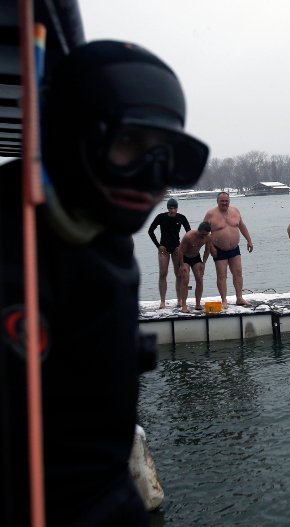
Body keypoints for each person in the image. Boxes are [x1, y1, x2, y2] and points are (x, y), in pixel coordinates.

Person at [0, 41, 208, 526]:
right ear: (71, 135)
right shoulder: (17, 252)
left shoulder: (104, 246)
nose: (150, 175)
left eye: (167, 155)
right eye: (129, 143)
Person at [203, 192, 253, 309]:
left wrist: (249, 240)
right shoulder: (210, 214)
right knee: (222, 275)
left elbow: (242, 226)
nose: (224, 203)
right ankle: (224, 300)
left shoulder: (235, 211)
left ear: (229, 201)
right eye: (222, 201)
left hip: (234, 248)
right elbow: (203, 233)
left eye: (226, 201)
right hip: (218, 249)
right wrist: (210, 247)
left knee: (238, 273)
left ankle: (239, 298)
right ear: (217, 201)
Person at [147, 197, 191, 308]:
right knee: (163, 273)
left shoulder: (181, 218)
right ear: (167, 208)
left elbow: (189, 233)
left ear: (177, 208)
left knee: (179, 274)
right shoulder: (161, 217)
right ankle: (162, 301)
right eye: (170, 208)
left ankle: (179, 300)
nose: (172, 210)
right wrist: (158, 246)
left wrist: (183, 247)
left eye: (174, 208)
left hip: (177, 248)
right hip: (164, 249)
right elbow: (150, 231)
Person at [175, 221, 212, 313]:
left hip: (196, 257)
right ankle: (184, 305)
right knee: (185, 279)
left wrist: (203, 263)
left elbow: (207, 250)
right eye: (202, 234)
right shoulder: (189, 236)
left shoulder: (208, 237)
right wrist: (182, 265)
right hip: (185, 257)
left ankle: (198, 304)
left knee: (199, 279)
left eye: (205, 234)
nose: (203, 236)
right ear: (198, 230)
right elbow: (180, 251)